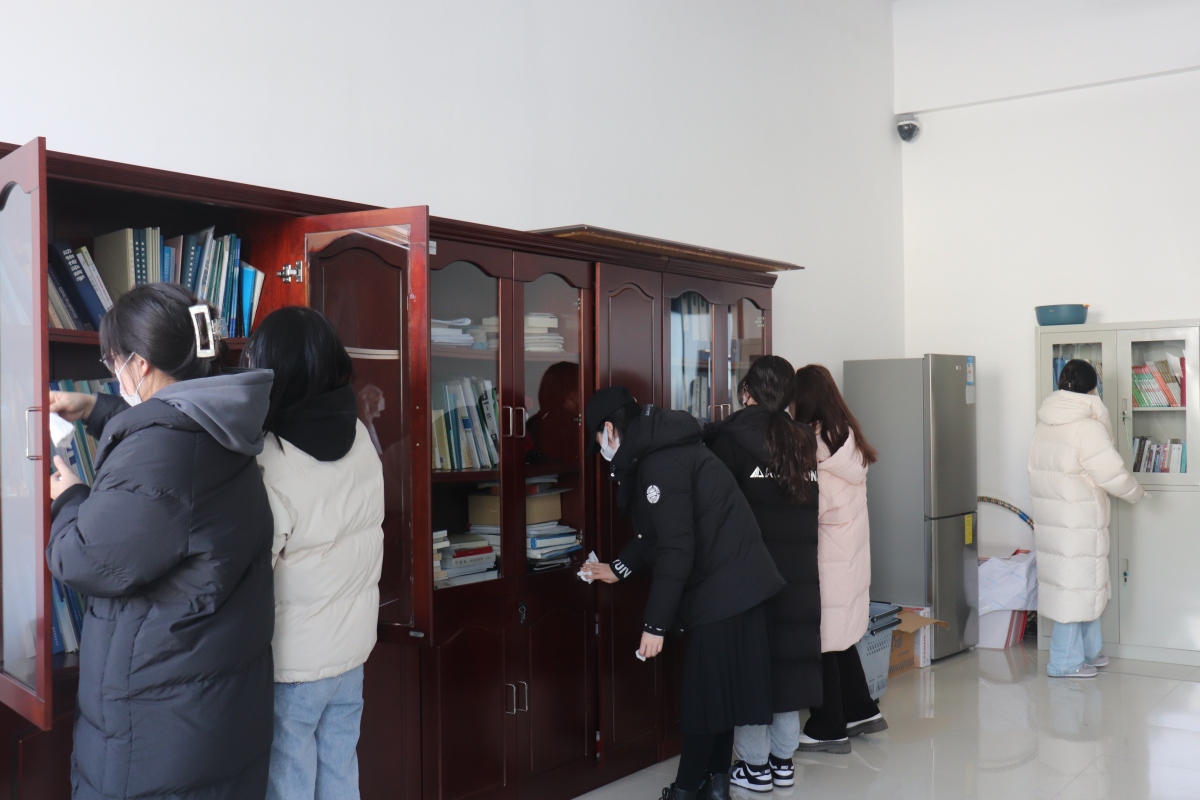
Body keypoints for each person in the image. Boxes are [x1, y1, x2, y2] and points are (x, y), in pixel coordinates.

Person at [46, 283, 275, 800]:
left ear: (140, 363)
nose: (113, 373)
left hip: (158, 718)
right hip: (206, 699)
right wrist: (96, 407)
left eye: (112, 362)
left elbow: (84, 558)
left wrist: (70, 495)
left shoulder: (164, 449)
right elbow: (165, 448)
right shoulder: (220, 418)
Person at [579, 387, 784, 800]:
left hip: (726, 587)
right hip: (737, 583)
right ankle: (716, 785)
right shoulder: (663, 449)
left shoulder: (659, 463)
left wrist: (654, 626)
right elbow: (655, 532)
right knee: (719, 695)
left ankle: (686, 790)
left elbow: (676, 548)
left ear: (610, 430)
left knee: (704, 698)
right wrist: (619, 568)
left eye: (598, 441)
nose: (601, 451)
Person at [243, 307, 386, 800]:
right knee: (340, 770)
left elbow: (254, 567)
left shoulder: (269, 456)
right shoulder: (360, 435)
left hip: (293, 664)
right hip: (350, 653)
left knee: (289, 781)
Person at [705, 355, 822, 794]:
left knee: (752, 671)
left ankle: (754, 767)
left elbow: (714, 510)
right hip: (800, 575)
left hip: (750, 575)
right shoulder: (802, 441)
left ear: (746, 393)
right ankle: (782, 762)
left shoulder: (729, 440)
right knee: (788, 669)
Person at [1028, 359, 1143, 678]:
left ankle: (1090, 652)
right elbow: (1110, 472)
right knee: (1077, 588)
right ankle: (1064, 663)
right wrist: (1137, 492)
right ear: (1093, 389)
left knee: (1081, 584)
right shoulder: (1087, 426)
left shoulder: (1046, 421)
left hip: (1054, 518)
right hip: (1077, 518)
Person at [792, 364, 886, 752]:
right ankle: (862, 710)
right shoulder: (845, 439)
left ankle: (828, 727)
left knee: (824, 643)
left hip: (830, 562)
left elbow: (809, 515)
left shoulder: (817, 453)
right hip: (849, 559)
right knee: (840, 637)